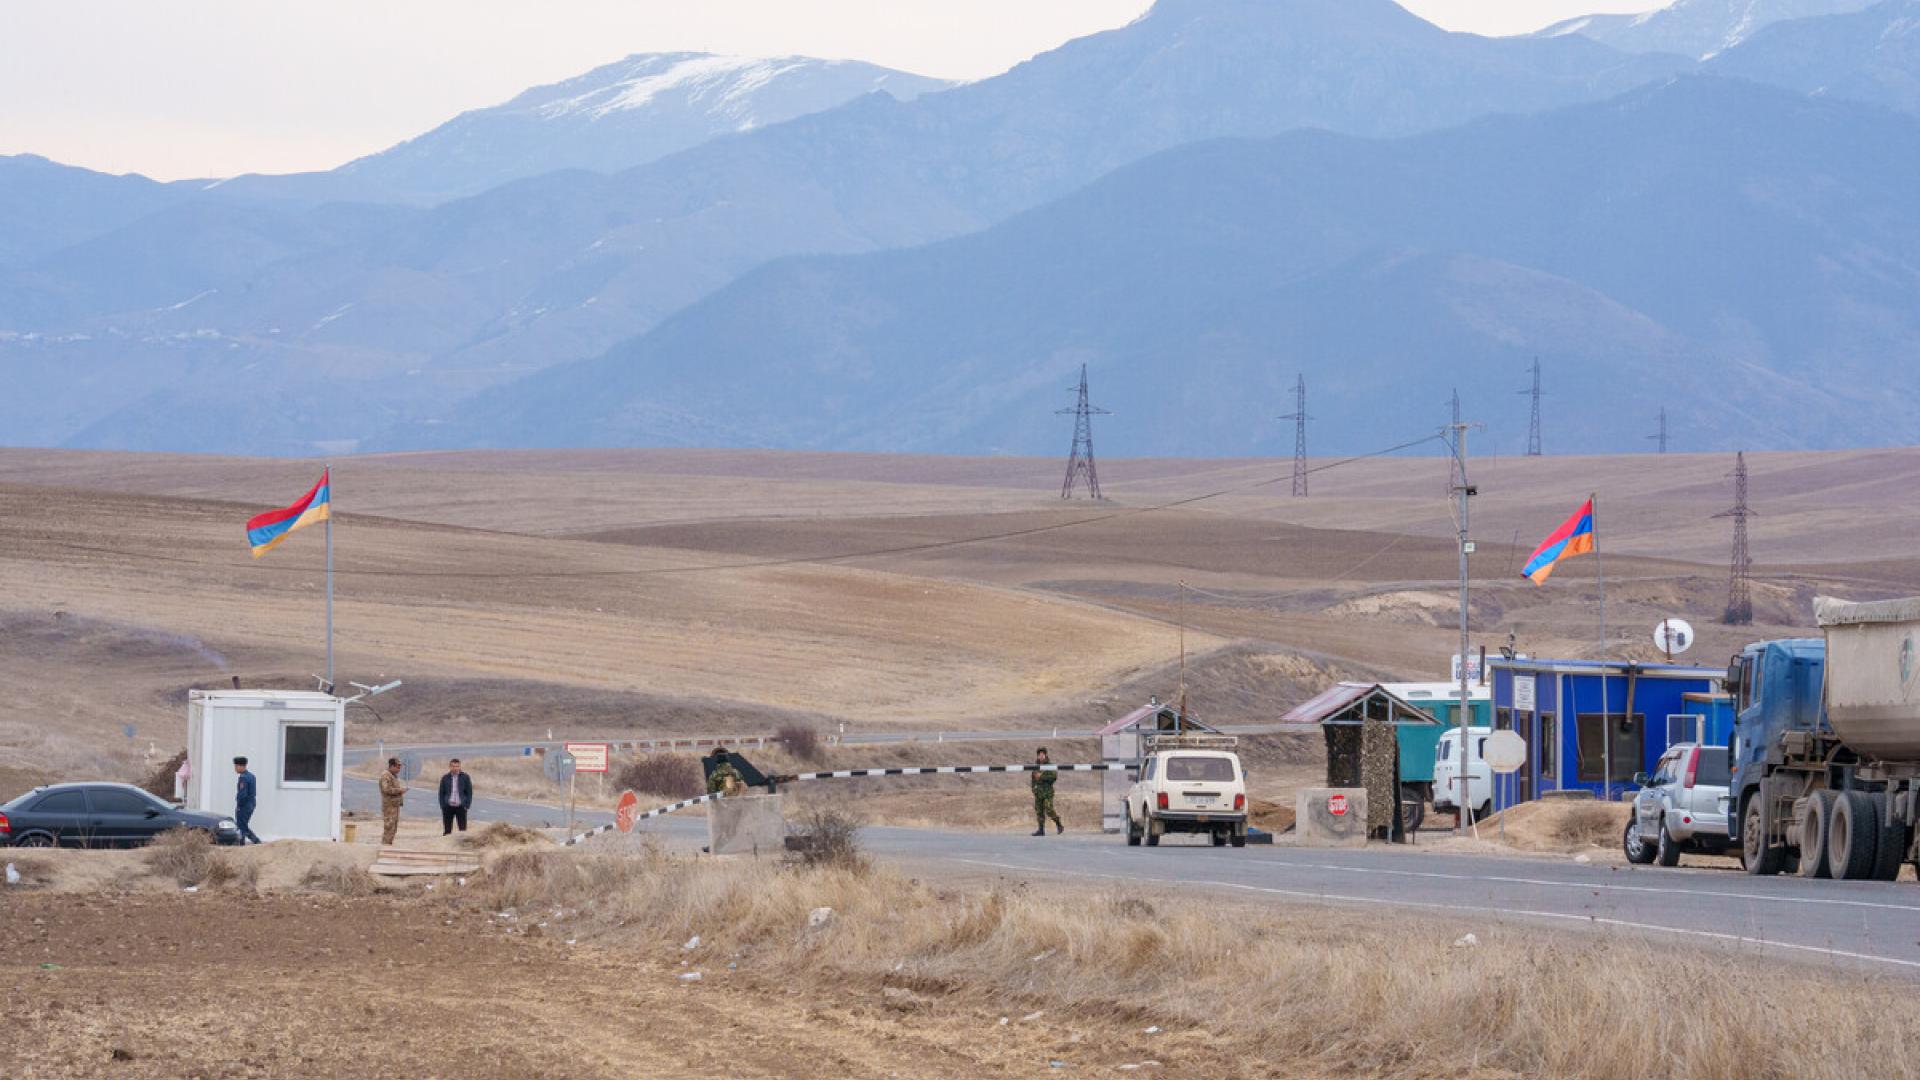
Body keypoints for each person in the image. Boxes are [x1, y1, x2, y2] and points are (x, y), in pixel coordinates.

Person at [1031, 747, 1063, 836]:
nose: (1041, 756)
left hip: (1047, 792)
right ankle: (1041, 830)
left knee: (1049, 809)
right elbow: (1033, 779)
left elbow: (1053, 777)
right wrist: (1034, 789)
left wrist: (1041, 777)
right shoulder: (1035, 767)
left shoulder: (1050, 766)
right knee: (1039, 811)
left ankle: (1058, 823)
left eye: (1043, 754)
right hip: (1038, 793)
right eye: (1039, 754)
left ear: (1045, 755)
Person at [438, 759, 473, 836]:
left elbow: (469, 792)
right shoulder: (445, 778)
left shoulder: (465, 777)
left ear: (460, 766)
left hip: (461, 806)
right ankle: (446, 846)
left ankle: (462, 846)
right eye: (453, 766)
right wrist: (443, 806)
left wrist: (467, 805)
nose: (455, 768)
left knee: (462, 830)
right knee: (447, 830)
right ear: (450, 767)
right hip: (448, 806)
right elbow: (441, 793)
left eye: (457, 766)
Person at [232, 757, 262, 844]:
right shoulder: (251, 776)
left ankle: (255, 841)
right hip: (251, 803)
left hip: (244, 805)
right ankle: (242, 842)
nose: (235, 769)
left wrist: (239, 805)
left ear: (241, 766)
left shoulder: (243, 778)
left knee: (241, 825)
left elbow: (242, 794)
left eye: (236, 766)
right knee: (242, 825)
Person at [379, 757, 406, 845]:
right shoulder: (385, 775)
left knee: (393, 829)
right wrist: (399, 790)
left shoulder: (393, 776)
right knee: (389, 828)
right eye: (397, 767)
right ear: (391, 766)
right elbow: (386, 789)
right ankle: (385, 847)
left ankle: (388, 845)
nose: (399, 770)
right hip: (389, 807)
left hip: (394, 806)